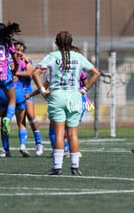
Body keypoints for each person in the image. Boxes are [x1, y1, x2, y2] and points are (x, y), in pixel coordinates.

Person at [32, 31, 100, 176]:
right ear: (71, 42)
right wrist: (84, 89)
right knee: (73, 134)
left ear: (56, 43)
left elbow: (35, 73)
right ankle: (75, 168)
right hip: (75, 97)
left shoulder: (52, 56)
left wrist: (43, 90)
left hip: (57, 96)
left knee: (59, 133)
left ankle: (57, 167)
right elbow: (96, 73)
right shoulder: (78, 57)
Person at [14, 41, 44, 157]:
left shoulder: (26, 61)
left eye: (21, 50)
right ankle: (21, 146)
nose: (19, 52)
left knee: (31, 115)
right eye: (17, 50)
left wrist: (16, 73)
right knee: (20, 120)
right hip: (15, 92)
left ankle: (39, 143)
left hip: (26, 91)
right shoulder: (10, 61)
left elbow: (31, 74)